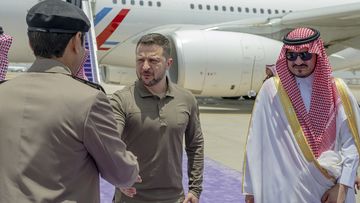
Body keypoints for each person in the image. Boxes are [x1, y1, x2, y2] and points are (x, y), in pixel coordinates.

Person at [0, 0, 139, 202]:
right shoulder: (87, 99)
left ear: (31, 43)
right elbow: (121, 174)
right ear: (76, 41)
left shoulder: (3, 91)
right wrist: (132, 164)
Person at [242, 27, 360, 203]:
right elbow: (257, 142)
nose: (298, 61)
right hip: (284, 192)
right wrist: (251, 189)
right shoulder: (272, 90)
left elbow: (351, 144)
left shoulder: (338, 89)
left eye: (304, 55)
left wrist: (343, 187)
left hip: (329, 191)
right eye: (291, 56)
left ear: (317, 54)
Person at [110, 33, 204, 203]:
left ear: (168, 63)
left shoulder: (186, 99)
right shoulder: (121, 99)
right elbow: (110, 142)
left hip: (174, 198)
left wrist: (195, 189)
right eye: (140, 60)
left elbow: (195, 145)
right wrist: (118, 177)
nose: (145, 67)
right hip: (130, 197)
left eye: (153, 61)